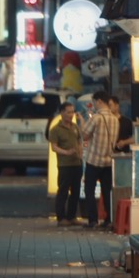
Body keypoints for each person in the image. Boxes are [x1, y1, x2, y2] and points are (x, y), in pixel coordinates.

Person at [81, 91, 120, 230]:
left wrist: (83, 122)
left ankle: (93, 220)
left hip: (94, 160)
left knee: (89, 190)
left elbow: (84, 134)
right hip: (108, 162)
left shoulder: (96, 118)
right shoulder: (115, 119)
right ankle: (108, 220)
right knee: (107, 191)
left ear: (99, 101)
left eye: (95, 102)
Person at [49, 102, 84, 226]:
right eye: (68, 112)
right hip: (65, 165)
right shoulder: (56, 130)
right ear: (62, 113)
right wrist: (66, 152)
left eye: (72, 112)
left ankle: (72, 216)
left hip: (76, 163)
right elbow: (54, 147)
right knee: (63, 191)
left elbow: (79, 141)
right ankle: (61, 217)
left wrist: (80, 153)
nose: (71, 115)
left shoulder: (75, 127)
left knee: (76, 192)